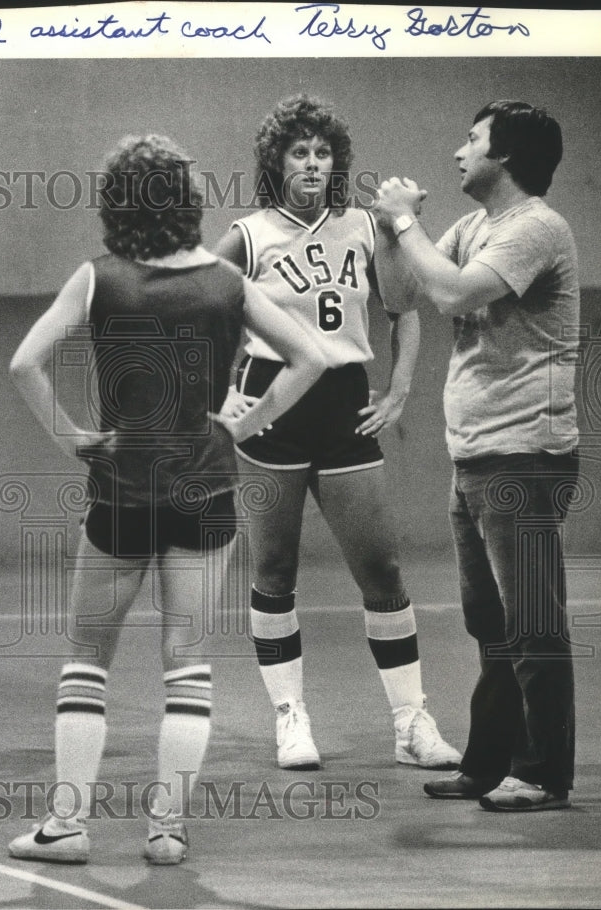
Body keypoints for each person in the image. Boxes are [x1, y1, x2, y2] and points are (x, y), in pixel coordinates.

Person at [7, 134, 327, 865]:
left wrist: (70, 438)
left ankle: (67, 825)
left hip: (120, 485)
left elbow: (23, 361)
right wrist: (245, 421)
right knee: (187, 660)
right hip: (205, 487)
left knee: (88, 657)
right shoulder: (225, 282)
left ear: (117, 202)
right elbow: (313, 355)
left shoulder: (97, 278)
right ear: (187, 203)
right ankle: (168, 828)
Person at [214, 92, 461, 771]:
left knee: (381, 568)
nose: (313, 163)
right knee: (274, 569)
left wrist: (403, 387)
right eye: (300, 152)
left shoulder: (364, 225)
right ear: (275, 161)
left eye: (323, 152)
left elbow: (405, 310)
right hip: (271, 407)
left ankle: (411, 722)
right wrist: (223, 400)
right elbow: (205, 317)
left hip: (346, 404)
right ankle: (290, 717)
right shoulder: (247, 235)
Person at [374, 100, 580, 811]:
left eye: (473, 140)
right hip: (478, 459)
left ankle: (544, 773)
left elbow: (455, 290)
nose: (459, 151)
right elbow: (403, 291)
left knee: (531, 623)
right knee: (491, 625)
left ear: (509, 157)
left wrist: (407, 223)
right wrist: (386, 232)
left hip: (525, 457)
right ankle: (489, 764)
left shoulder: (535, 229)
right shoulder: (474, 227)